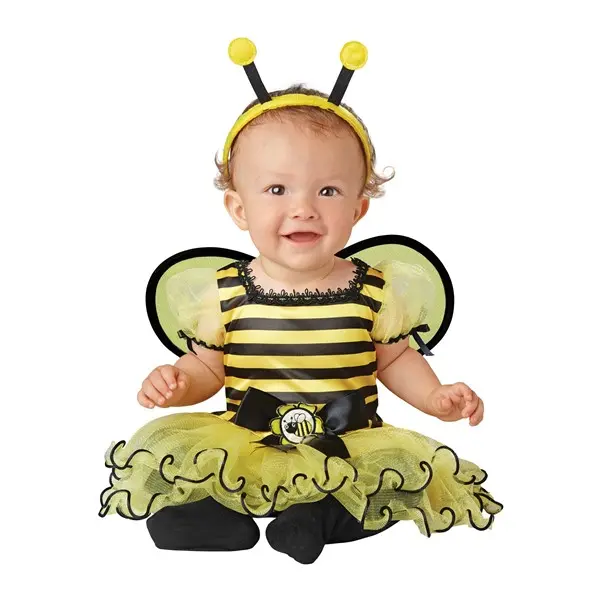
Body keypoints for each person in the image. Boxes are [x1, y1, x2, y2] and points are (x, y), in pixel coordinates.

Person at [100, 39, 503, 565]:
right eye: (277, 190)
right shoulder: (225, 292)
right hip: (250, 441)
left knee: (378, 488)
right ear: (238, 208)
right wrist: (178, 383)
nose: (304, 209)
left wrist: (434, 396)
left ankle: (311, 521)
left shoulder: (374, 289)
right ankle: (212, 518)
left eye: (328, 192)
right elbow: (208, 368)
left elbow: (395, 359)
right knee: (192, 474)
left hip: (347, 442)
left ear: (358, 209)